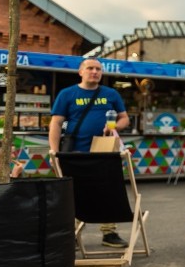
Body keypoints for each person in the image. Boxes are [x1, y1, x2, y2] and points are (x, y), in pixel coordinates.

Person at [48, 58, 130, 248]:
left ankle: (109, 233)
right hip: (77, 153)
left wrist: (115, 126)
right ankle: (73, 234)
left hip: (105, 151)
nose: (95, 72)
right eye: (90, 68)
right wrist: (54, 151)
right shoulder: (67, 94)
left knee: (108, 191)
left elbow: (124, 118)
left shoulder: (111, 94)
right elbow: (56, 123)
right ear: (81, 72)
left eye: (98, 69)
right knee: (75, 193)